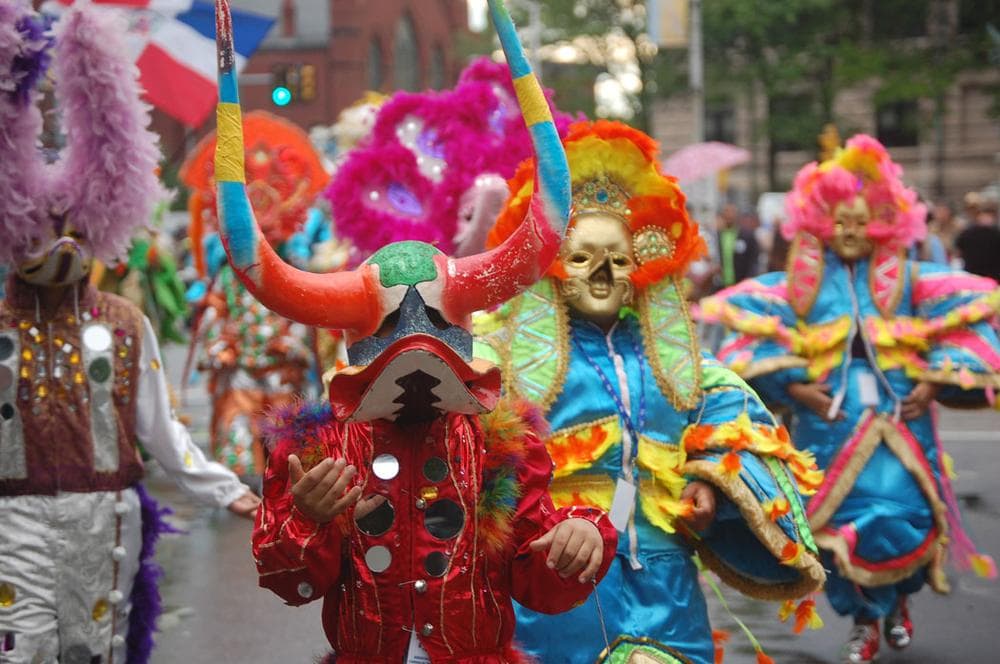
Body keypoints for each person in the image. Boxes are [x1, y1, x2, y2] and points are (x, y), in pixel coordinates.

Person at [213, 1, 617, 660]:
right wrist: (307, 518)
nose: (413, 348)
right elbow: (288, 582)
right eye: (392, 331)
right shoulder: (317, 444)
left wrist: (582, 538)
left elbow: (537, 578)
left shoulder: (499, 439)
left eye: (432, 323)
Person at [477, 120, 825, 664]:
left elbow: (737, 423)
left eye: (617, 261)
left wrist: (708, 483)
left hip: (666, 586)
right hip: (557, 583)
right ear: (552, 263)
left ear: (640, 264)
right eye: (582, 259)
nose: (601, 276)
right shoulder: (499, 358)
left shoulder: (678, 361)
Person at [0, 3, 258, 662]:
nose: (58, 243)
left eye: (74, 228)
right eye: (39, 227)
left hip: (106, 522)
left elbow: (160, 428)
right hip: (12, 521)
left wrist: (224, 488)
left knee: (96, 650)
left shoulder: (121, 325)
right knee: (20, 648)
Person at [701, 134, 1000, 664]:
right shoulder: (802, 285)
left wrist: (932, 382)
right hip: (828, 428)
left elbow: (959, 321)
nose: (852, 232)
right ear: (820, 223)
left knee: (903, 514)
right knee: (833, 532)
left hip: (900, 422)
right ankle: (864, 620)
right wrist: (795, 390)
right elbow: (755, 339)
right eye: (842, 222)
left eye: (863, 222)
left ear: (884, 221)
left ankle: (896, 604)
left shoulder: (908, 278)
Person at [181, 111, 328, 477]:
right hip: (240, 375)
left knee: (287, 456)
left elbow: (302, 311)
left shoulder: (292, 269)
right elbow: (215, 309)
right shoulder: (228, 275)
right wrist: (220, 348)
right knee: (240, 456)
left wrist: (291, 346)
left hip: (281, 375)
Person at [955, 195, 1000, 281]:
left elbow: (959, 251)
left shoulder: (967, 232)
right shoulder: (967, 233)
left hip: (974, 278)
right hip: (993, 279)